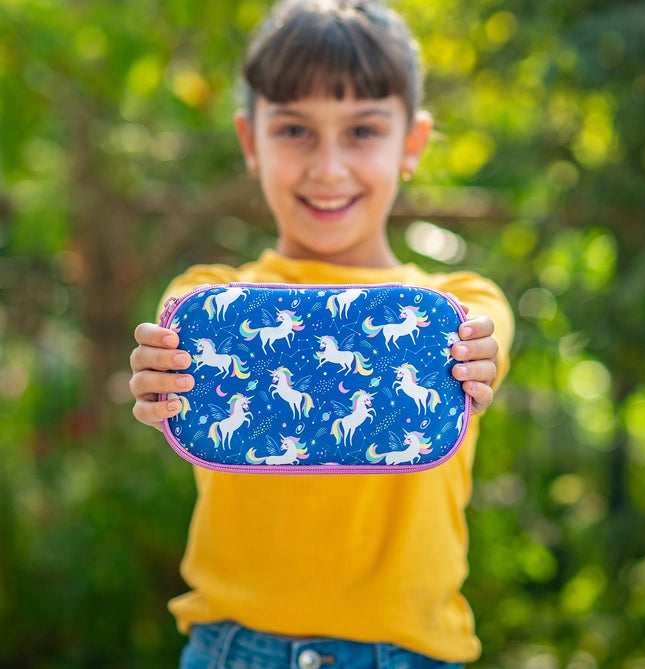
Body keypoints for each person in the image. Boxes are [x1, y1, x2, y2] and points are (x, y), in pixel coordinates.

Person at [129, 1, 514, 667]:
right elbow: (165, 365)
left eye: (362, 130)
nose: (328, 168)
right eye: (295, 130)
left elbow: (488, 341)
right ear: (251, 143)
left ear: (412, 145)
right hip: (232, 649)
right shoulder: (203, 299)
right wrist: (156, 380)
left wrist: (481, 357)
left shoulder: (459, 307)